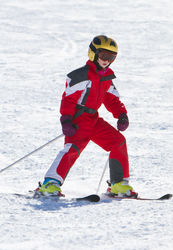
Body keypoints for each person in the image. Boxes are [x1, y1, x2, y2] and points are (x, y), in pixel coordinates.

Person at [36, 35, 137, 198]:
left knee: (118, 141)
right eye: (104, 55)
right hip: (78, 120)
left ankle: (118, 184)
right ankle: (50, 184)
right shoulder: (81, 76)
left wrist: (121, 114)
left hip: (94, 120)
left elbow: (111, 99)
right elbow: (68, 99)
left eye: (111, 57)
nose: (106, 60)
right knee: (72, 150)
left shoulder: (107, 76)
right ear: (94, 53)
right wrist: (66, 119)